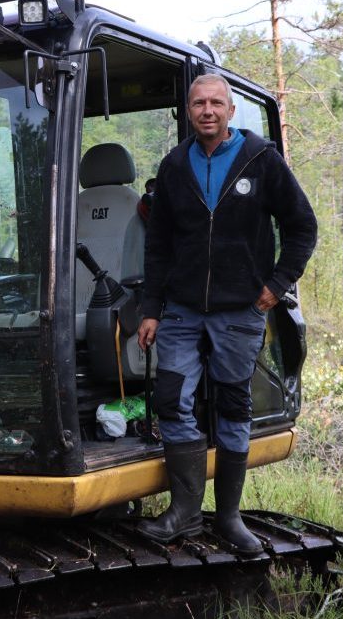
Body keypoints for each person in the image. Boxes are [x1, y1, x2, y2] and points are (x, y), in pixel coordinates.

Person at [136, 74, 317, 555]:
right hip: (180, 309)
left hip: (239, 310)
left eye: (217, 103)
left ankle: (230, 518)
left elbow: (302, 226)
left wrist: (275, 286)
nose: (208, 111)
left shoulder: (261, 161)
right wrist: (151, 308)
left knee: (233, 406)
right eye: (199, 104)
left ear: (231, 110)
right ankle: (184, 514)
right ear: (189, 111)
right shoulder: (174, 166)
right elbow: (158, 248)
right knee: (172, 399)